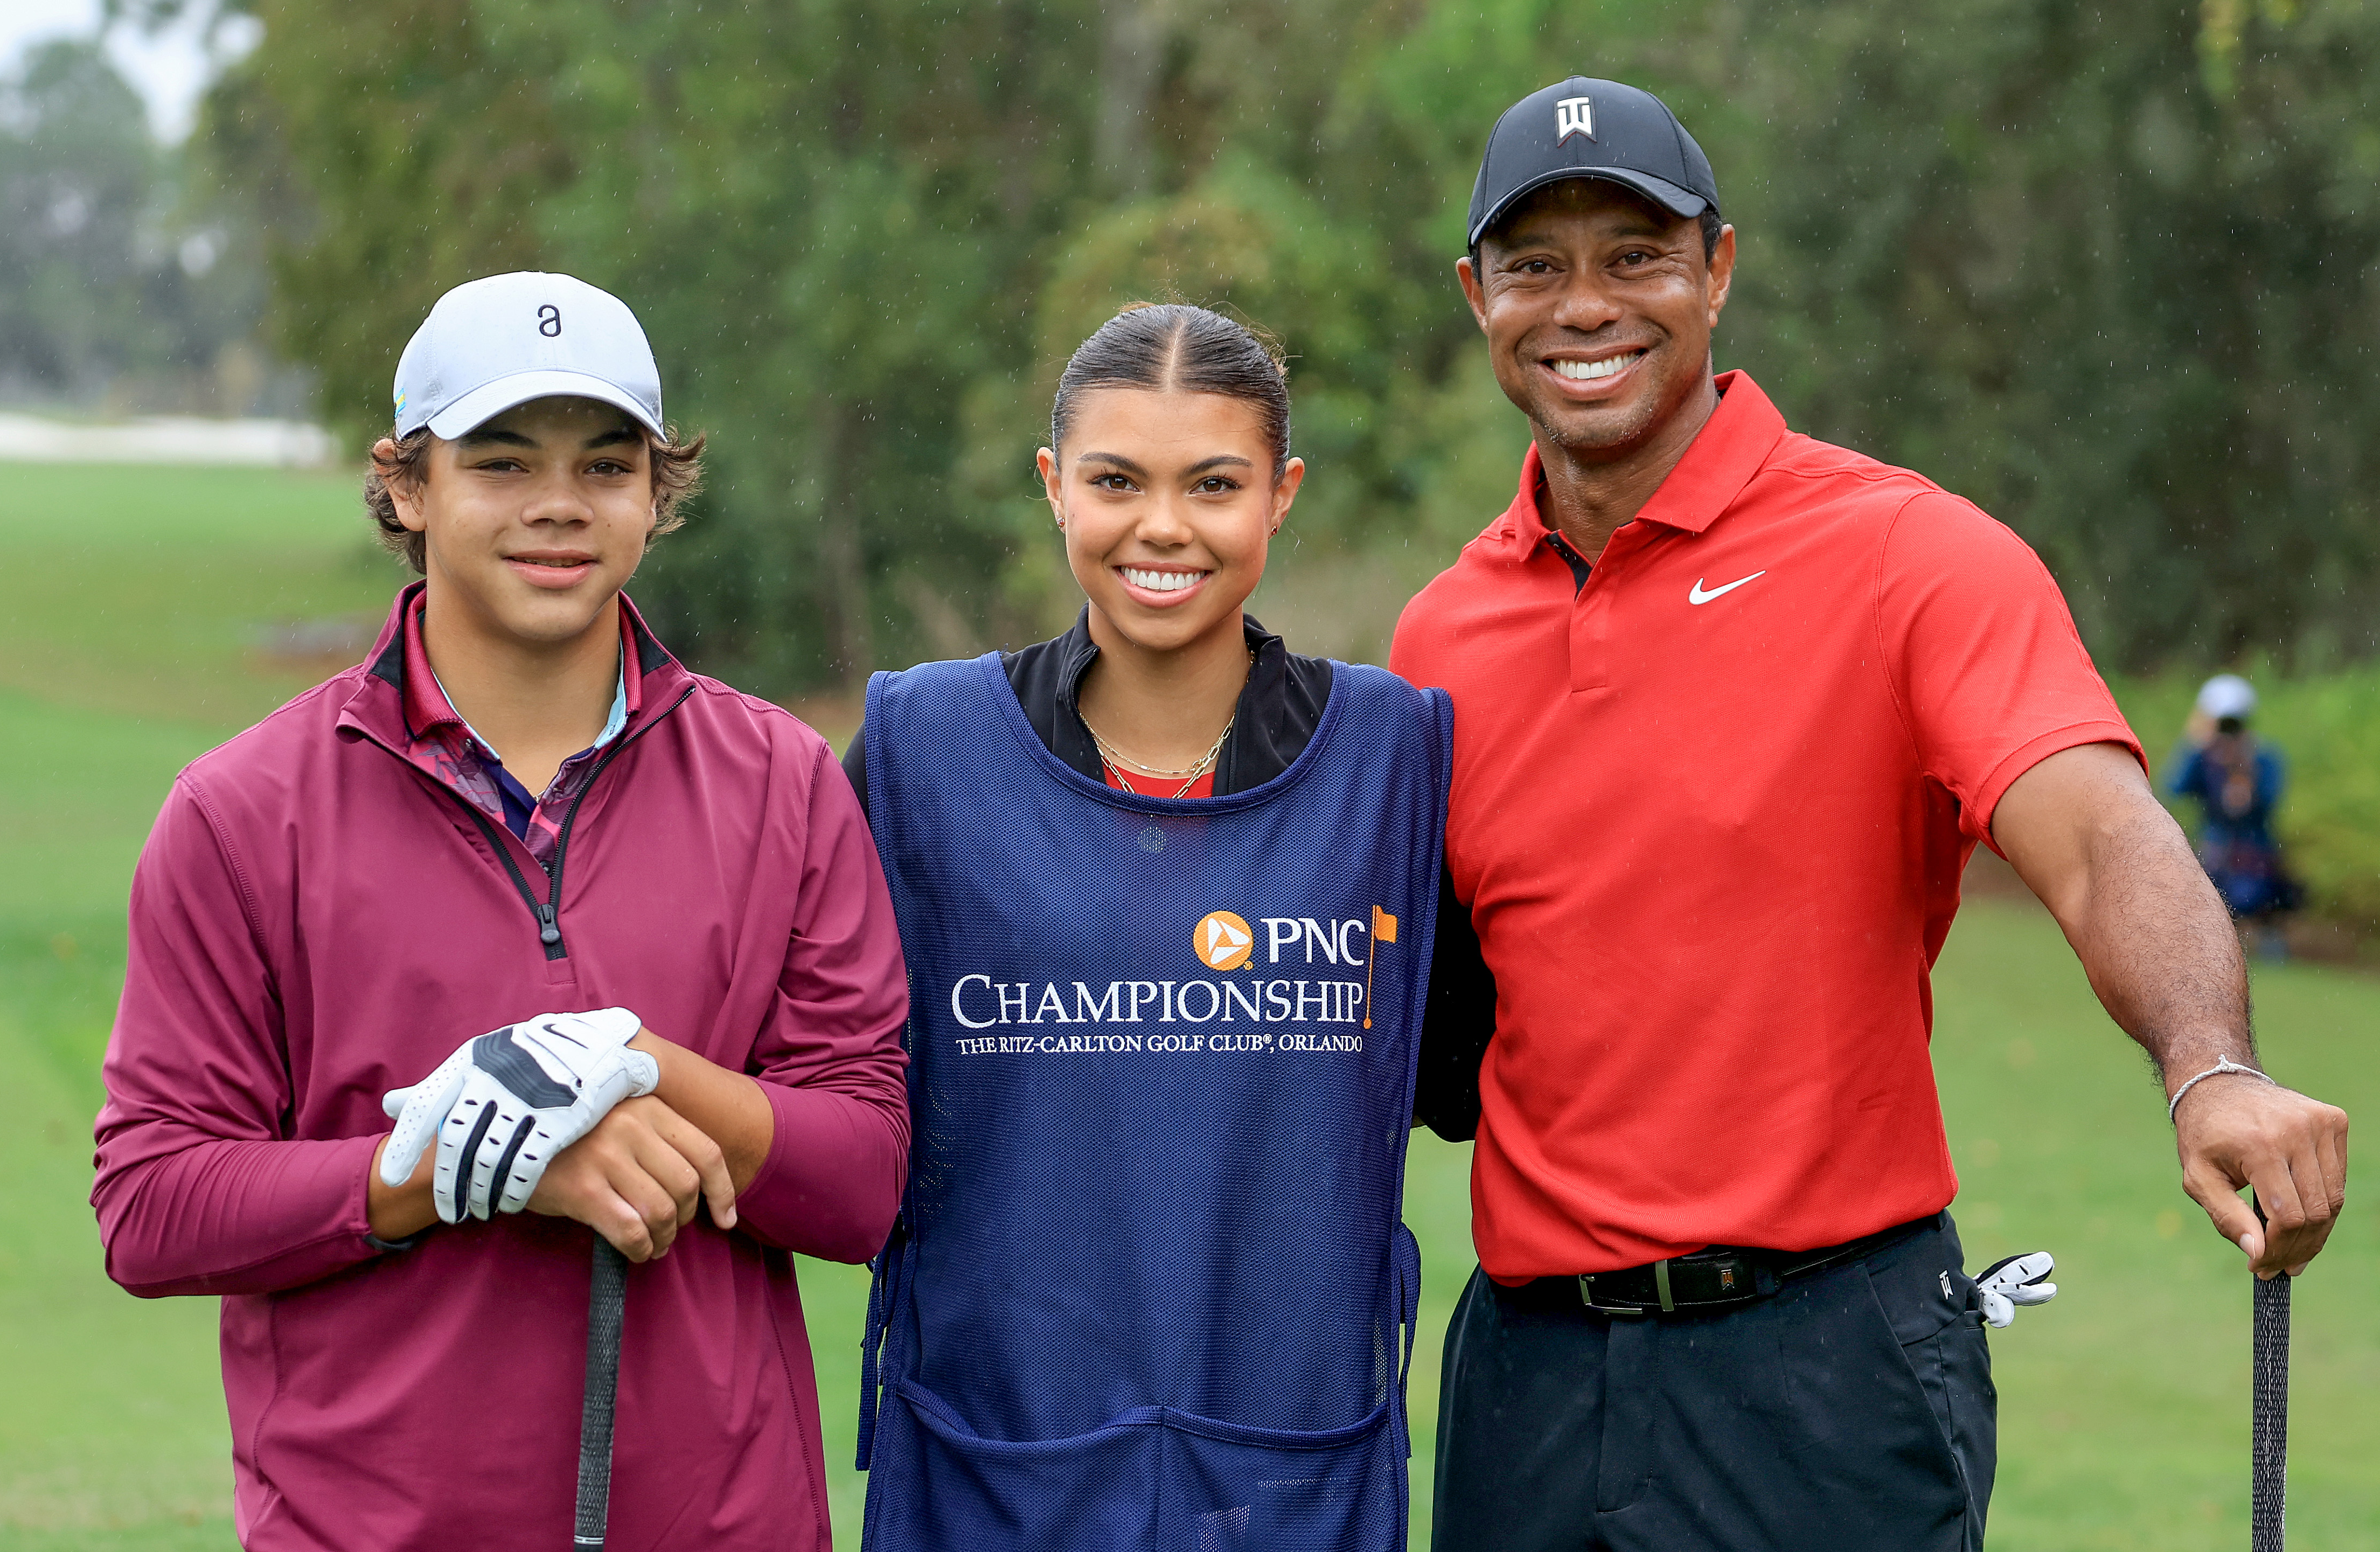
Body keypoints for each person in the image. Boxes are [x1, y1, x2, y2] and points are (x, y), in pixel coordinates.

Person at [1389, 78, 2351, 1550]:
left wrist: (2208, 1064)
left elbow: (2097, 838)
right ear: (1476, 297)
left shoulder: (1907, 557)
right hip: (1528, 1373)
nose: (1584, 305)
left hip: (1821, 1367)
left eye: (1634, 256)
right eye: (1535, 266)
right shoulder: (1441, 635)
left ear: (1716, 269)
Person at [91, 272, 910, 1551]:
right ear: (409, 486)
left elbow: (864, 1182)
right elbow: (151, 1203)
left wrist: (639, 1068)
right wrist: (446, 1170)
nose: (557, 506)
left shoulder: (782, 782)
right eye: (503, 458)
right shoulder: (243, 811)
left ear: (657, 493)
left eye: (605, 462)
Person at [842, 303, 1450, 1550]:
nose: (1163, 526)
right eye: (1118, 480)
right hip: (990, 1471)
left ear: (1280, 495)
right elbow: (809, 1089)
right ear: (1054, 486)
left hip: (1296, 1486)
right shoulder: (925, 750)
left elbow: (1489, 1067)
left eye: (1213, 483)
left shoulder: (1392, 761)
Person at [2171, 673, 2304, 955]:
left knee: (2257, 909)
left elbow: (2268, 801)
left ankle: (2269, 946)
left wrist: (2246, 772)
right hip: (2213, 852)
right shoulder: (2203, 756)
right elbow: (2173, 787)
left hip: (2255, 855)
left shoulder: (2264, 758)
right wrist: (2194, 744)